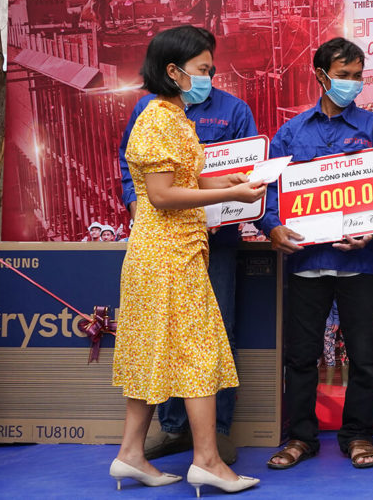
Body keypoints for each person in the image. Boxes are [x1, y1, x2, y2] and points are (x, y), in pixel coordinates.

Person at [110, 25, 263, 494]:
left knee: (154, 350)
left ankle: (130, 454)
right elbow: (160, 195)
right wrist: (231, 193)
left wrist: (223, 182)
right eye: (202, 69)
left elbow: (182, 181)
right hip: (169, 254)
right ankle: (208, 460)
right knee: (198, 353)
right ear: (173, 71)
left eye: (211, 69)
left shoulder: (172, 117)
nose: (208, 78)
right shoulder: (159, 118)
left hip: (169, 250)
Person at [262, 37, 373, 471]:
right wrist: (273, 227)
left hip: (360, 263)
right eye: (343, 75)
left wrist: (372, 231)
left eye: (358, 76)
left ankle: (359, 435)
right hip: (306, 263)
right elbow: (269, 192)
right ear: (321, 76)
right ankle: (301, 437)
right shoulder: (291, 133)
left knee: (364, 356)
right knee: (301, 356)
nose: (352, 83)